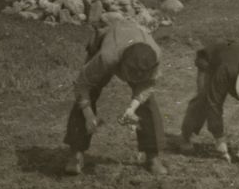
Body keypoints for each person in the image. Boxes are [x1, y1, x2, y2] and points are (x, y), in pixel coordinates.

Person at [63, 19, 168, 175]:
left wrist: (132, 108)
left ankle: (152, 156)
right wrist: (88, 114)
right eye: (131, 75)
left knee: (147, 102)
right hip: (111, 39)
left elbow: (147, 85)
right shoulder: (107, 57)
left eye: (140, 76)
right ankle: (76, 154)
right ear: (121, 65)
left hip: (135, 38)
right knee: (89, 94)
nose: (135, 80)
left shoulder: (155, 55)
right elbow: (82, 84)